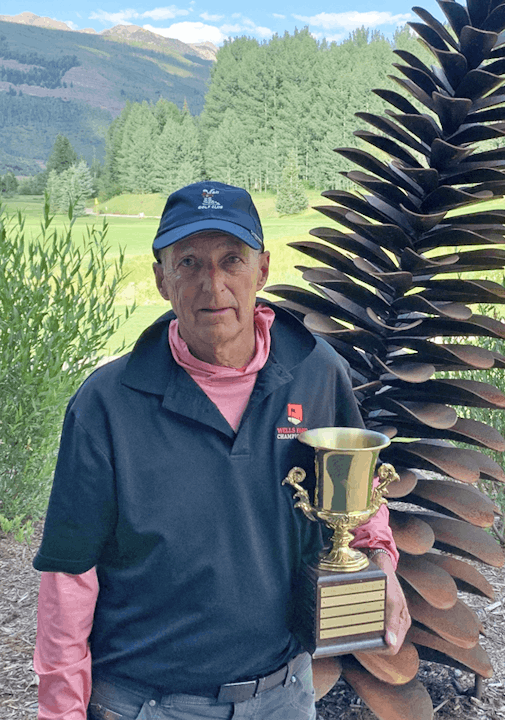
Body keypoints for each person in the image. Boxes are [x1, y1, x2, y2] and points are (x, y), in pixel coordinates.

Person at [33, 181, 410, 720]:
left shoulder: (316, 371)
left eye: (232, 260)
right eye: (189, 262)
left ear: (262, 270)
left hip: (284, 695)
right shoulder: (106, 403)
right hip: (147, 704)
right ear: (161, 278)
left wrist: (381, 564)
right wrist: (61, 711)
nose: (214, 284)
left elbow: (359, 490)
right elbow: (70, 575)